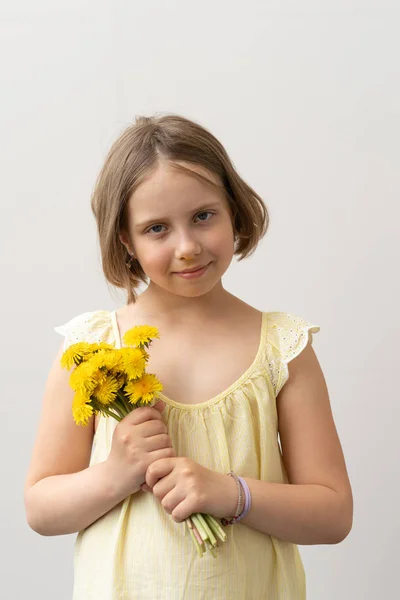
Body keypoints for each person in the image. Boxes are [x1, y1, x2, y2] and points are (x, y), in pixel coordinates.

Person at [24, 114, 353, 599]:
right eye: (157, 228)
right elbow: (40, 508)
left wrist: (232, 494)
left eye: (203, 216)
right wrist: (115, 474)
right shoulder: (91, 349)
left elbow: (333, 514)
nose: (187, 247)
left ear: (234, 211)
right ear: (126, 241)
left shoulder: (282, 348)